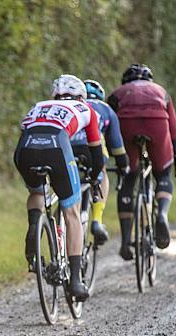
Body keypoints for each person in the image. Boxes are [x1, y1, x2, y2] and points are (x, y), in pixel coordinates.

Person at [14, 74, 104, 300]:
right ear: (82, 96)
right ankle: (75, 282)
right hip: (57, 146)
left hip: (25, 149)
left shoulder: (39, 106)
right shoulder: (86, 110)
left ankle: (33, 228)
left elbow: (25, 130)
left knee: (36, 191)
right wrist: (94, 178)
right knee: (71, 212)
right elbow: (97, 153)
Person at [107, 64, 176, 259]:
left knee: (128, 178)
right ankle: (162, 215)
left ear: (126, 81)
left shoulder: (118, 93)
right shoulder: (161, 91)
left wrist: (113, 154)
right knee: (163, 173)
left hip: (127, 125)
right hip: (157, 124)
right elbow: (173, 128)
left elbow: (108, 123)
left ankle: (125, 242)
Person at [69, 79, 130, 244]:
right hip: (90, 148)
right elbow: (117, 146)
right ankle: (96, 220)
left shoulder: (72, 105)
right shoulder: (106, 109)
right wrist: (123, 166)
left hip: (67, 146)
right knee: (101, 171)